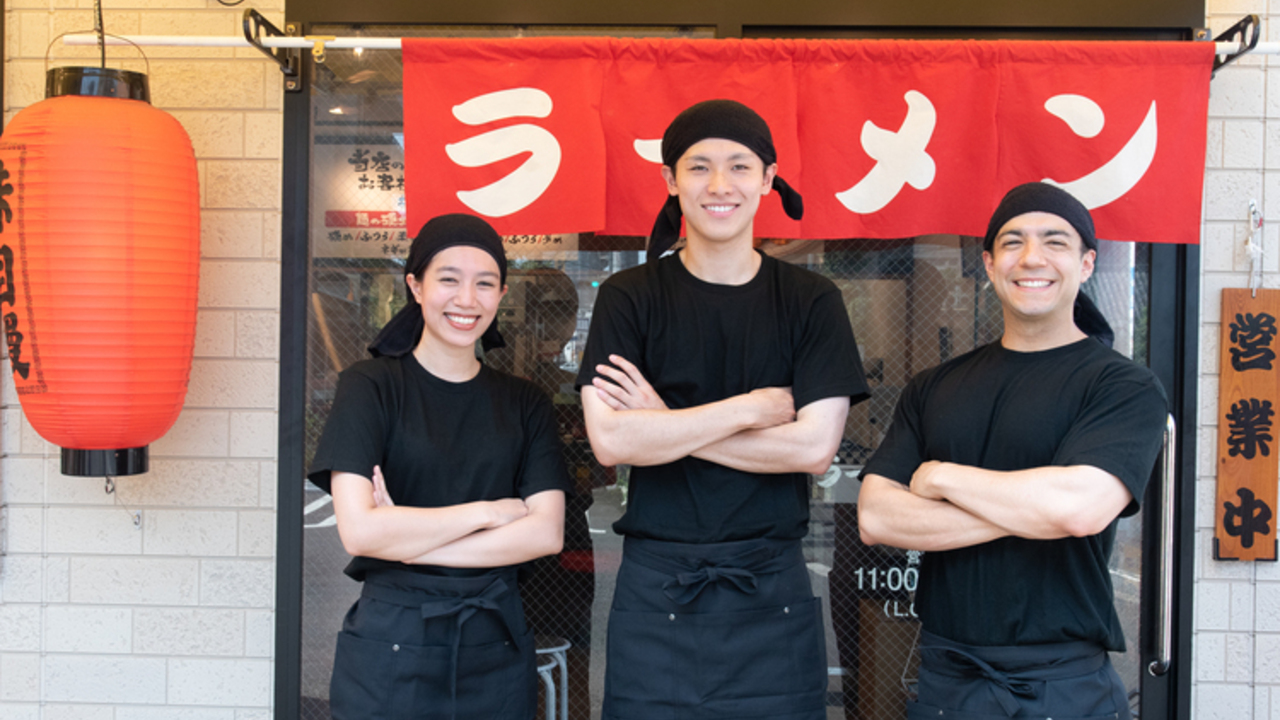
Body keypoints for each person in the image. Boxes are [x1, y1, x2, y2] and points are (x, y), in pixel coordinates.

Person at [576, 99, 870, 720]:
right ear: (670, 180)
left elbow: (813, 450)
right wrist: (751, 407)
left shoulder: (811, 300)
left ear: (767, 179)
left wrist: (661, 419)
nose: (719, 186)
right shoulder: (629, 297)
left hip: (770, 586)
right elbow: (611, 443)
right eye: (698, 166)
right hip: (658, 585)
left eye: (739, 167)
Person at [857, 182, 1168, 719]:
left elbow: (1078, 508)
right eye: (1013, 242)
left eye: (1055, 242)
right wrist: (1034, 510)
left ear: (1087, 263)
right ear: (989, 263)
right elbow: (877, 516)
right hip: (947, 681)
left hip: (1063, 685)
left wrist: (942, 477)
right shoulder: (935, 386)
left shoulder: (1123, 386)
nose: (1032, 258)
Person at [308, 214, 570, 720]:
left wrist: (407, 539)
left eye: (485, 282)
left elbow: (546, 534)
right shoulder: (369, 387)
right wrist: (490, 511)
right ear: (416, 285)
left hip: (493, 639)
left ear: (501, 293)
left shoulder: (525, 402)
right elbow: (361, 533)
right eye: (448, 278)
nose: (466, 299)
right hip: (392, 642)